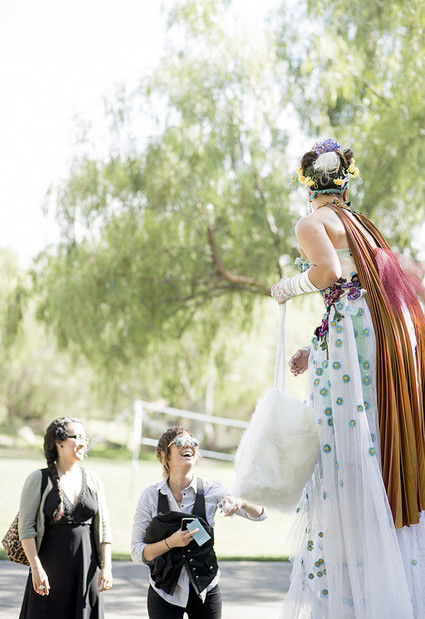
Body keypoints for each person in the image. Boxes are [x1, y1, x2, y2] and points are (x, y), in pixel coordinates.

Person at [271, 138, 425, 618]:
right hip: (382, 340)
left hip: (354, 339)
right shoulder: (362, 225)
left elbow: (329, 273)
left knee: (341, 454)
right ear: (345, 184)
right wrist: (315, 347)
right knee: (372, 444)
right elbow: (358, 296)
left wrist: (288, 286)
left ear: (308, 187)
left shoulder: (312, 222)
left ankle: (349, 589)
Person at [131, 426, 267, 618]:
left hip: (205, 589)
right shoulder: (151, 496)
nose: (188, 446)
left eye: (192, 443)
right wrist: (171, 542)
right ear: (164, 455)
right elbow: (137, 552)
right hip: (163, 592)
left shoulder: (212, 490)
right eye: (180, 443)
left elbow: (260, 514)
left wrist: (241, 502)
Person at [18, 417, 113, 619]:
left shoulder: (93, 479)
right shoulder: (39, 479)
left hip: (86, 572)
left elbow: (104, 527)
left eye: (85, 438)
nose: (83, 443)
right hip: (48, 574)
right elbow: (26, 529)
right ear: (58, 442)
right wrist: (36, 568)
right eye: (76, 437)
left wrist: (107, 567)